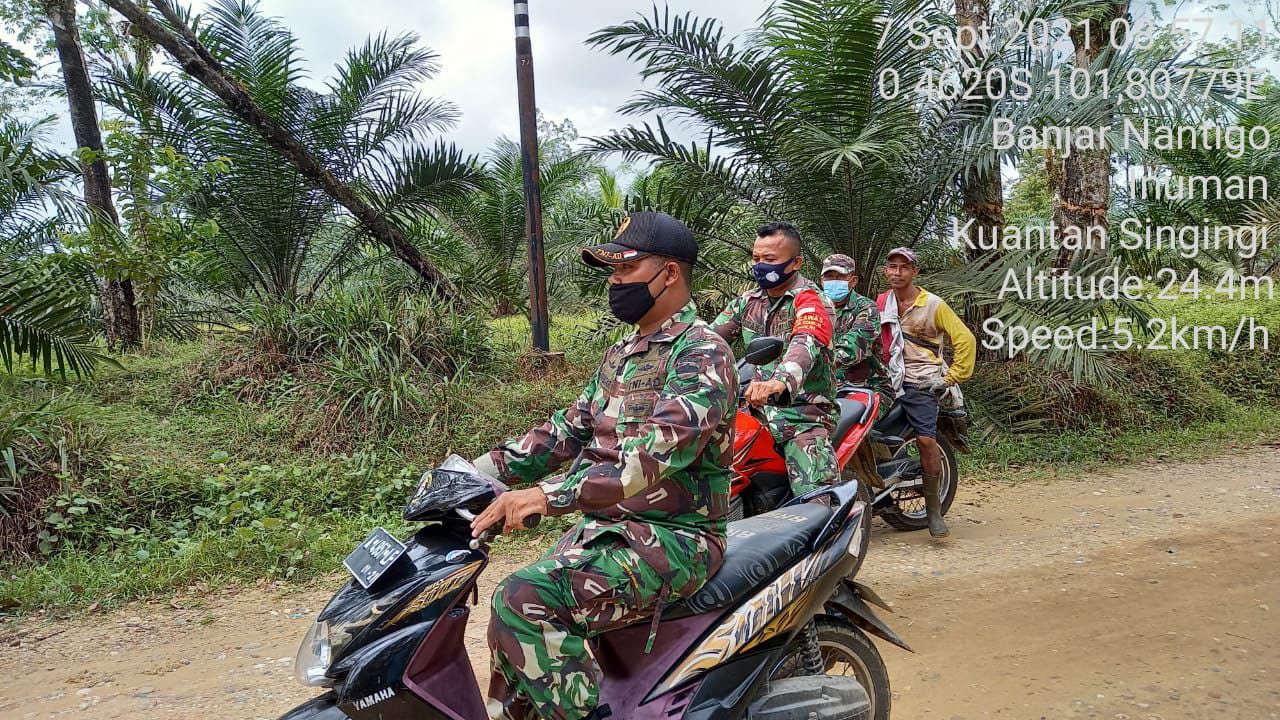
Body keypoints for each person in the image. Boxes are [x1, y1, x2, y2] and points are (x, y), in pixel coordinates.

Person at [469, 211, 736, 720]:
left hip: (675, 539)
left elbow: (647, 458)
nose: (614, 281)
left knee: (522, 600)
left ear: (669, 274)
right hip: (609, 530)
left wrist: (547, 496)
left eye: (626, 269)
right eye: (612, 271)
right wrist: (477, 471)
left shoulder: (703, 353)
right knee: (513, 634)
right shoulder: (623, 352)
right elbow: (568, 429)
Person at [710, 221, 837, 496]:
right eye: (756, 258)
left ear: (795, 263)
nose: (760, 266)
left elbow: (805, 341)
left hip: (802, 414)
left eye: (769, 259)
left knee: (815, 499)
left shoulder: (811, 301)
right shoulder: (747, 302)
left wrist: (780, 381)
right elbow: (709, 340)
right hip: (754, 410)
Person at [877, 247, 976, 538]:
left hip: (921, 380)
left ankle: (933, 510)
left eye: (904, 267)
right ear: (885, 271)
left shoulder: (933, 305)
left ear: (914, 272)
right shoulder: (881, 303)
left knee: (925, 438)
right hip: (886, 377)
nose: (897, 272)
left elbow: (965, 340)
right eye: (892, 267)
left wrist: (951, 378)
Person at [820, 253, 889, 408]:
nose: (834, 281)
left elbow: (854, 346)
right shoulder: (813, 308)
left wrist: (810, 364)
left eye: (840, 277)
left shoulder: (866, 308)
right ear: (822, 280)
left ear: (853, 281)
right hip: (823, 387)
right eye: (829, 277)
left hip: (866, 387)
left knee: (838, 420)